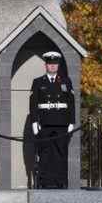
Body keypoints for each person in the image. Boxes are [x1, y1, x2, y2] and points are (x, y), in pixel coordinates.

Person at [29, 51, 75, 189]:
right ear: (46, 65)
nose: (53, 66)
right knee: (45, 153)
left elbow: (71, 103)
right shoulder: (38, 82)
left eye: (55, 64)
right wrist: (34, 122)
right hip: (45, 123)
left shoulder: (66, 81)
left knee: (61, 152)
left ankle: (60, 181)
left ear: (58, 65)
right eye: (50, 64)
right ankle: (45, 182)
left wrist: (72, 122)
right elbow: (33, 104)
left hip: (62, 123)